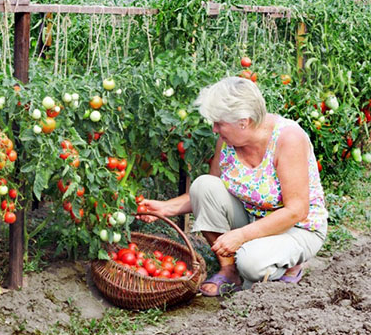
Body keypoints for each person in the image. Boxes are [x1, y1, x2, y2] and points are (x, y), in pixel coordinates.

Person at [139, 76, 327, 296]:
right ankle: (229, 271)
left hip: (297, 227)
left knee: (250, 263)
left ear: (243, 121)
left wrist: (241, 236)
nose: (214, 129)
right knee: (204, 185)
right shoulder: (228, 140)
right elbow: (209, 193)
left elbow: (297, 210)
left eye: (219, 123)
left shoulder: (288, 139)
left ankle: (290, 265)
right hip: (252, 217)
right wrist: (165, 208)